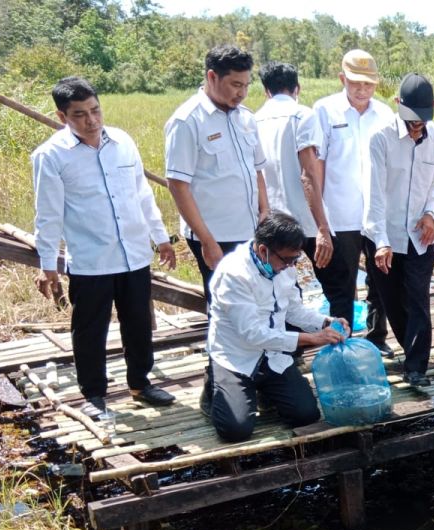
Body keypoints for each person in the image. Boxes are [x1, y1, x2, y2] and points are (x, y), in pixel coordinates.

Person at [31, 77, 177, 418]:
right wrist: (47, 263)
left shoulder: (123, 142)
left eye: (95, 110)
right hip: (91, 261)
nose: (91, 120)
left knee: (138, 322)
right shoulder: (51, 156)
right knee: (90, 330)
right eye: (80, 114)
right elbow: (48, 214)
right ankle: (94, 394)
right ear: (61, 115)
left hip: (135, 254)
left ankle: (141, 383)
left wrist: (161, 237)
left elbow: (142, 194)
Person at [205, 212, 347, 443]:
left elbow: (293, 309)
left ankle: (264, 390)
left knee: (306, 414)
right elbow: (253, 334)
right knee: (235, 430)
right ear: (263, 251)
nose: (291, 266)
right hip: (236, 357)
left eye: (296, 260)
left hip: (272, 355)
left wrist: (325, 322)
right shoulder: (233, 274)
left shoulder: (285, 265)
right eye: (287, 260)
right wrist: (312, 339)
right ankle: (214, 383)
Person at [165, 44, 268, 304]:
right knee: (225, 308)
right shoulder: (187, 121)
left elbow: (256, 170)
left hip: (250, 231)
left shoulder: (246, 118)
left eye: (246, 85)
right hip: (216, 235)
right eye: (235, 85)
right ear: (212, 77)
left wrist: (264, 211)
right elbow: (178, 185)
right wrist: (207, 241)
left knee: (256, 301)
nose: (242, 93)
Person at [364, 73, 434, 387]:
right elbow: (374, 195)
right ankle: (408, 351)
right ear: (398, 105)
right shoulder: (380, 138)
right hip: (384, 237)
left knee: (419, 300)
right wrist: (381, 242)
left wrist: (430, 213)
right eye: (411, 119)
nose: (416, 127)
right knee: (393, 301)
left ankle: (416, 368)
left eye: (422, 120)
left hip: (419, 236)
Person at [313, 50, 396, 353]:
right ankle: (342, 342)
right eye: (355, 83)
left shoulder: (385, 114)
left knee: (380, 279)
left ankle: (377, 337)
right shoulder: (325, 111)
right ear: (342, 79)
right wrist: (320, 221)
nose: (362, 90)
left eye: (368, 84)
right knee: (342, 284)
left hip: (377, 214)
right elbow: (316, 167)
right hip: (340, 214)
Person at [254, 61, 333, 274]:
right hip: (306, 219)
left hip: (271, 219)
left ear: (266, 91)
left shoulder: (253, 120)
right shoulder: (303, 115)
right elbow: (308, 174)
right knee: (337, 287)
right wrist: (323, 228)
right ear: (297, 88)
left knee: (280, 280)